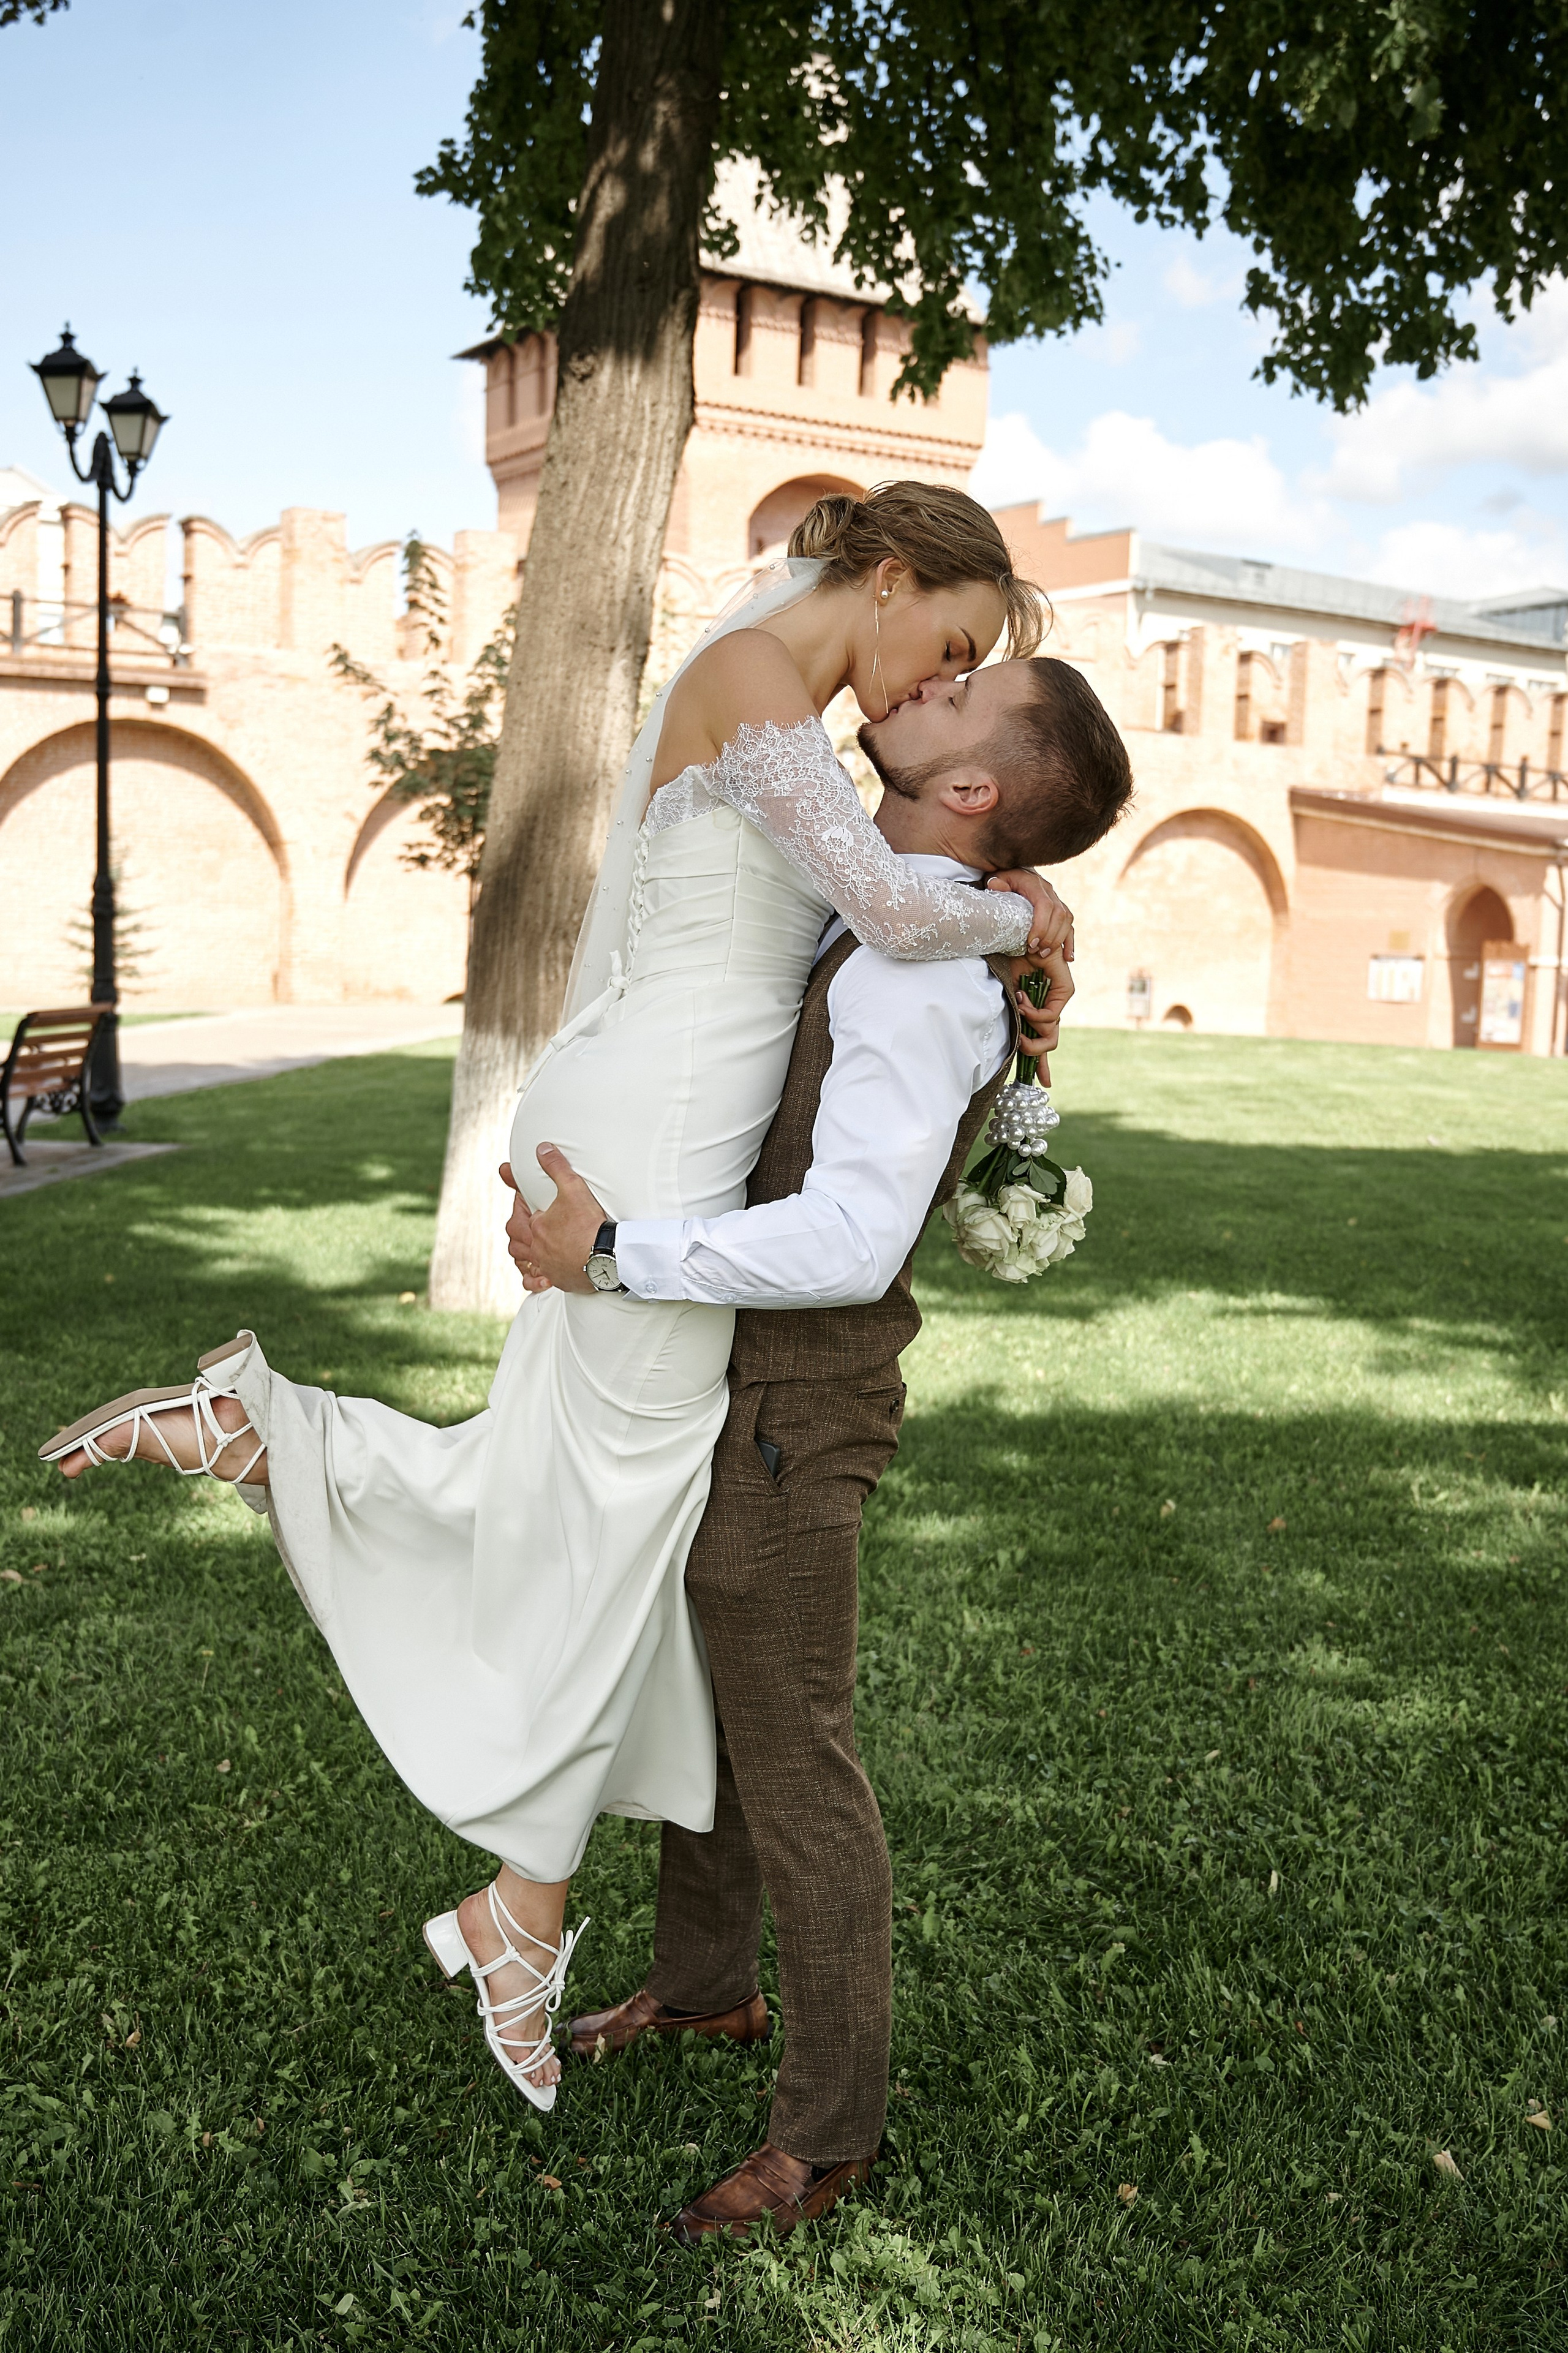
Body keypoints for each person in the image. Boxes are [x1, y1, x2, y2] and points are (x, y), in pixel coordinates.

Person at [39, 484, 1071, 2115]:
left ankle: (267, 1439)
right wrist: (1030, 911)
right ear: (885, 579)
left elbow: (866, 904)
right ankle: (516, 1911)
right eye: (945, 643)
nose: (932, 685)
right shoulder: (753, 686)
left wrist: (999, 929)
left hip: (652, 1114)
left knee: (569, 1499)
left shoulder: (776, 699)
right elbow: (884, 909)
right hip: (658, 1136)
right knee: (617, 1515)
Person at [500, 654, 1133, 2237]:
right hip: (737, 1385)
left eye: (962, 694)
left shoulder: (918, 972)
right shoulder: (906, 908)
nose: (926, 682)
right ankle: (710, 1986)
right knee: (710, 1712)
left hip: (797, 1401)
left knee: (798, 1756)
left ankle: (828, 2129)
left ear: (973, 789)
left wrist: (616, 1253)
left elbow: (853, 1236)